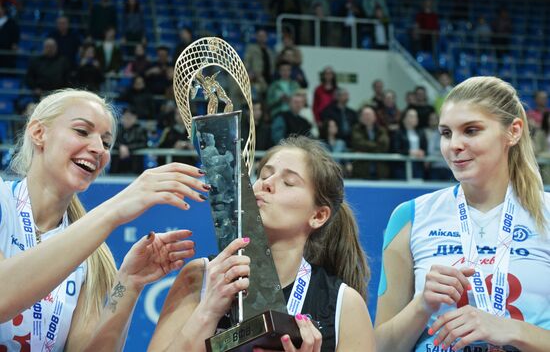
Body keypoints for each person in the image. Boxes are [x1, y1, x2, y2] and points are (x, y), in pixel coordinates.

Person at [0, 89, 208, 350]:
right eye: (82, 131)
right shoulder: (3, 203)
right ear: (39, 133)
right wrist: (115, 209)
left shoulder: (92, 256)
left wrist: (128, 284)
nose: (98, 148)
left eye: (107, 143)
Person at [148, 136, 376, 352]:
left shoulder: (344, 305)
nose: (266, 183)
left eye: (288, 182)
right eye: (264, 174)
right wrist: (207, 312)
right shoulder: (201, 277)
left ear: (318, 216)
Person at [375, 76, 550, 351]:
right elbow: (378, 348)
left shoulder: (547, 214)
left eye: (471, 130)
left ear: (513, 131)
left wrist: (512, 330)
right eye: (446, 133)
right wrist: (421, 305)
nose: (454, 145)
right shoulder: (410, 217)